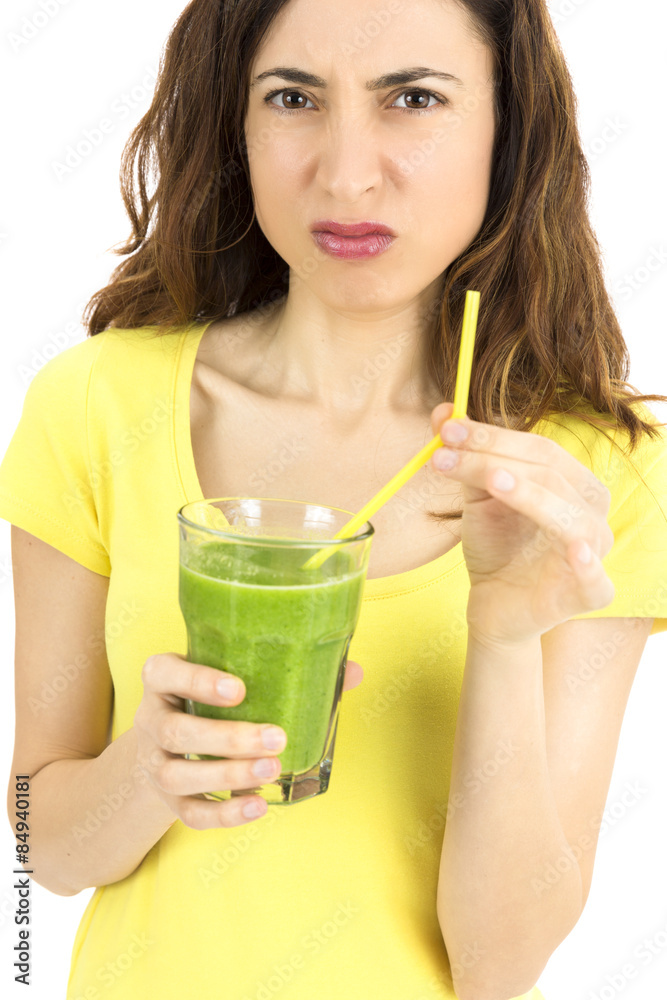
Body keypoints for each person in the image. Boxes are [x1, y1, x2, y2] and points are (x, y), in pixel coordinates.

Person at [2, 1, 667, 998]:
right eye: (292, 97)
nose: (348, 173)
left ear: (507, 126)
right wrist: (146, 768)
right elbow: (44, 850)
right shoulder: (97, 404)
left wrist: (503, 634)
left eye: (413, 98)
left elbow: (499, 964)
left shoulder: (590, 479)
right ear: (238, 122)